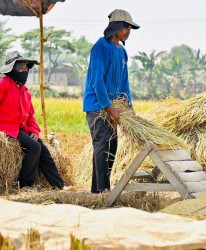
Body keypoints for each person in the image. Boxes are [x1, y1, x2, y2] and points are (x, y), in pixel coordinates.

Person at [83, 9, 140, 194]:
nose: (129, 31)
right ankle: (103, 190)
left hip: (114, 105)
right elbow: (97, 81)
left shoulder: (122, 52)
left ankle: (96, 190)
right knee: (103, 143)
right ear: (115, 27)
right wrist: (109, 108)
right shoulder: (100, 47)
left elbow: (124, 83)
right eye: (126, 27)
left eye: (130, 28)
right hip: (98, 105)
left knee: (112, 146)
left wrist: (129, 108)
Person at [0, 51, 65, 190]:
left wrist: (35, 130)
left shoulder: (25, 91)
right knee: (34, 147)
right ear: (12, 69)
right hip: (7, 128)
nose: (24, 70)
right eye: (20, 68)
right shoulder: (3, 84)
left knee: (43, 149)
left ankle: (58, 185)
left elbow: (31, 116)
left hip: (21, 128)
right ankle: (24, 184)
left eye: (26, 68)